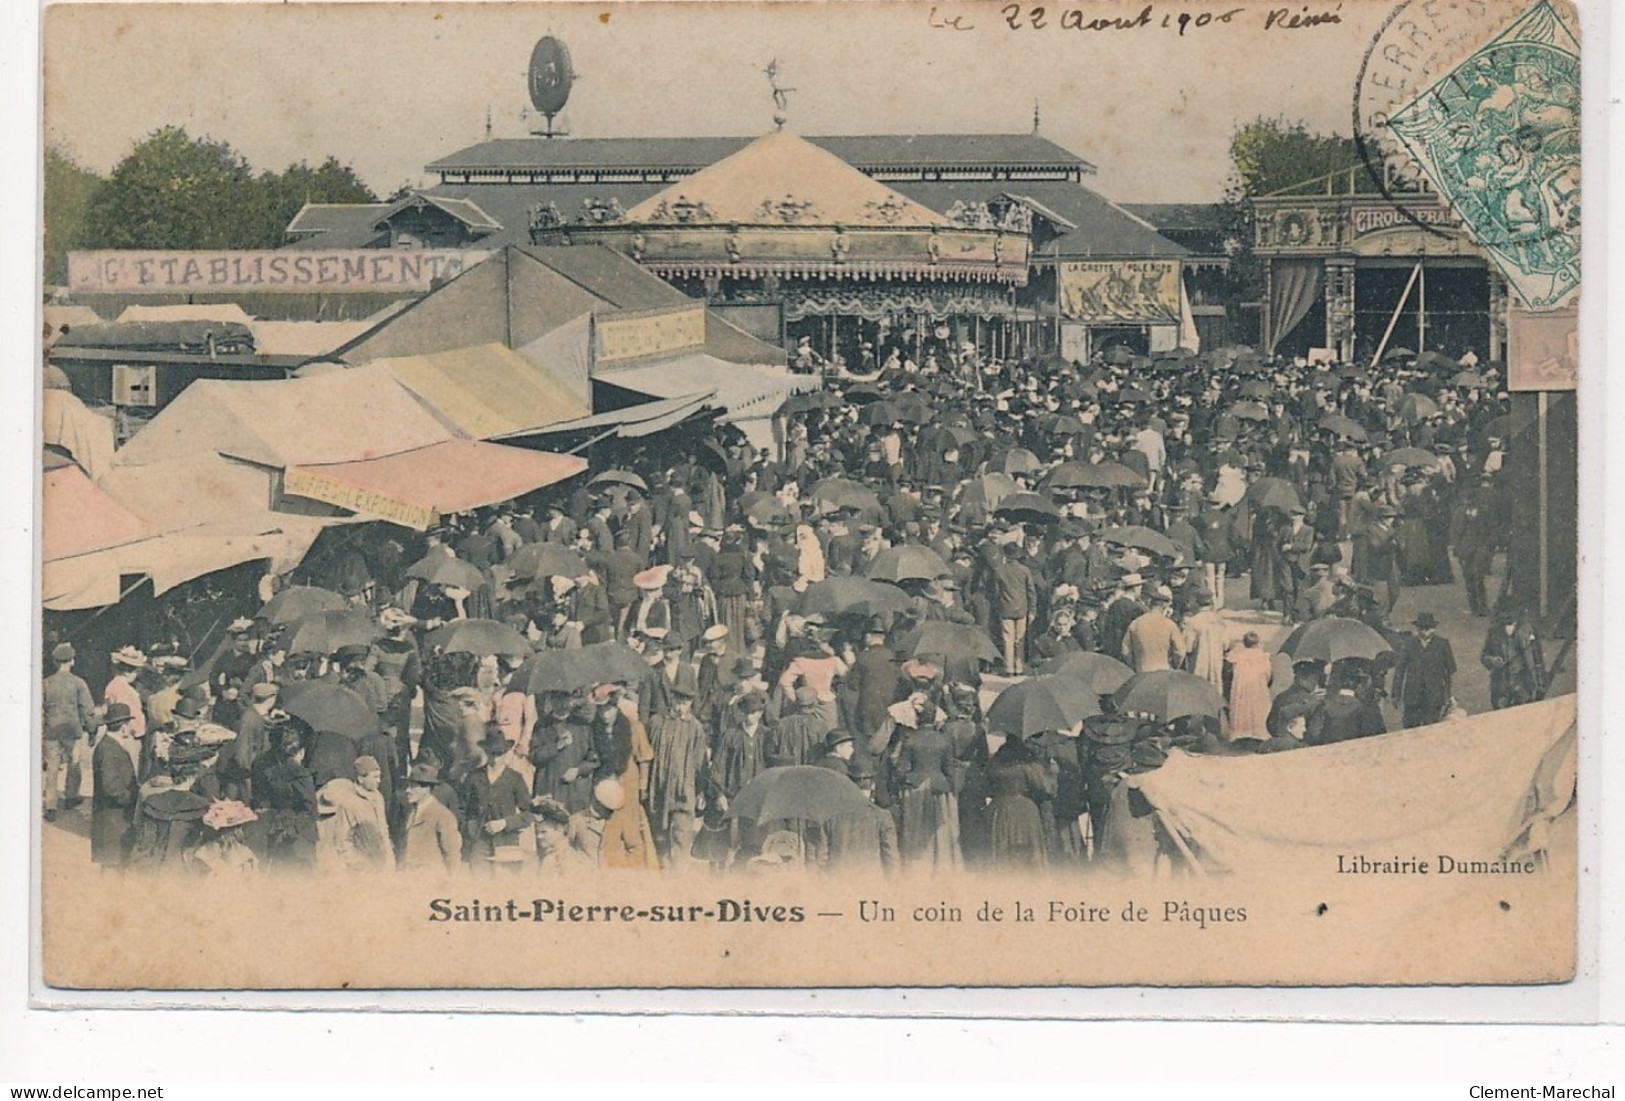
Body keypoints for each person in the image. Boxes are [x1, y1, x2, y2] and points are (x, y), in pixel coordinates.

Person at [461, 724, 533, 870]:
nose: (495, 759)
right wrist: (470, 827)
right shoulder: (474, 777)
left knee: (506, 886)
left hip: (507, 841)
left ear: (506, 752)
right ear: (486, 752)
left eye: (500, 753)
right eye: (492, 753)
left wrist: (505, 823)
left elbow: (529, 814)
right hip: (479, 842)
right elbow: (462, 808)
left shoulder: (515, 778)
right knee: (478, 884)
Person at [42, 642, 97, 819]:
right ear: (72, 661)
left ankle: (50, 805)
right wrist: (92, 729)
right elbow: (87, 709)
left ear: (55, 662)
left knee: (52, 767)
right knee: (74, 764)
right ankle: (71, 796)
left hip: (51, 731)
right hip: (72, 732)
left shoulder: (46, 682)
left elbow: (40, 709)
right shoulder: (78, 683)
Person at [315, 754, 392, 873]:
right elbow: (343, 839)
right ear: (361, 779)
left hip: (380, 856)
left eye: (379, 776)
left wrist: (389, 857)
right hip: (361, 865)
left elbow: (383, 829)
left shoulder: (378, 797)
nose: (379, 781)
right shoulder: (349, 802)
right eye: (375, 777)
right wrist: (355, 864)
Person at [89, 702, 143, 869]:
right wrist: (134, 800)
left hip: (113, 820)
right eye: (128, 724)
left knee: (115, 865)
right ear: (123, 727)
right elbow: (111, 787)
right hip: (112, 820)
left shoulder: (110, 746)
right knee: (113, 868)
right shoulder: (108, 750)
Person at [1395, 612, 1457, 728]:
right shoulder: (1409, 644)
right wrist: (1396, 694)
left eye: (1427, 628)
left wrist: (1448, 695)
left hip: (1433, 696)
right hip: (1412, 697)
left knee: (1431, 728)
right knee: (1410, 728)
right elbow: (1400, 670)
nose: (1424, 632)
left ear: (1433, 629)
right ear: (1417, 629)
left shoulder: (1442, 644)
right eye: (1421, 628)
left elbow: (1450, 670)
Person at [400, 762, 463, 873]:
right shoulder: (412, 811)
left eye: (412, 786)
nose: (407, 791)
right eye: (407, 786)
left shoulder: (443, 815)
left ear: (427, 789)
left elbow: (453, 855)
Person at [1480, 612, 1548, 709]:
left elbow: (1537, 659)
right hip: (1500, 686)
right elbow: (1484, 655)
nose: (1508, 617)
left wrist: (1540, 685)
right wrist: (1492, 660)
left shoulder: (1528, 630)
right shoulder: (1494, 631)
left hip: (1522, 685)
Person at [1122, 588, 1187, 673]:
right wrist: (1174, 666)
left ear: (1150, 605)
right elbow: (1180, 651)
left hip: (1141, 672)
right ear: (1164, 607)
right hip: (1163, 671)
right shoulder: (1169, 624)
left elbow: (1125, 650)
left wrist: (1134, 666)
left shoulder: (1136, 623)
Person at [1225, 631, 1274, 740]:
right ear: (1257, 643)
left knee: (1242, 708)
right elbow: (1269, 676)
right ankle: (1259, 733)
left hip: (1241, 689)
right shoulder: (1263, 657)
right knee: (1259, 708)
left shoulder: (1237, 657)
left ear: (1244, 643)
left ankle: (1241, 733)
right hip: (1258, 688)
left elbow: (1228, 675)